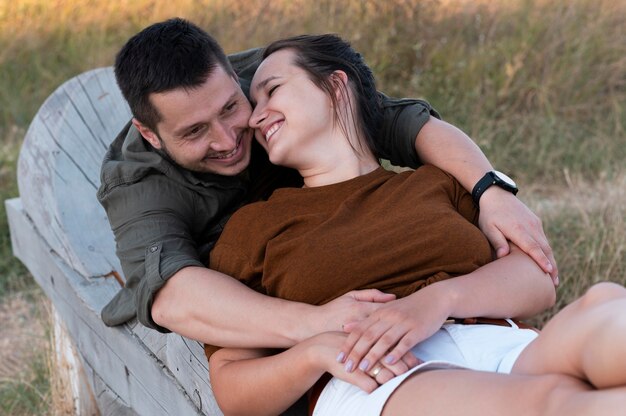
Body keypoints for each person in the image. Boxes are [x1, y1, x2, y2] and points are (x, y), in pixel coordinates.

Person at [97, 18, 557, 414]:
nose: (230, 137)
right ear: (150, 135)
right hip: (325, 338)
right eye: (195, 132)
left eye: (233, 108)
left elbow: (401, 122)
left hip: (485, 344)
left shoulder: (268, 80)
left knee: (594, 323)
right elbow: (173, 294)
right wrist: (317, 328)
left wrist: (491, 189)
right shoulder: (141, 185)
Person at [206, 34, 626, 416]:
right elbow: (232, 386)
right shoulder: (254, 226)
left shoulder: (435, 181)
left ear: (336, 86)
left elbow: (537, 277)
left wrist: (437, 301)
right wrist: (314, 352)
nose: (254, 118)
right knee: (552, 403)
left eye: (271, 91)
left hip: (495, 344)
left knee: (604, 301)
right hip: (378, 378)